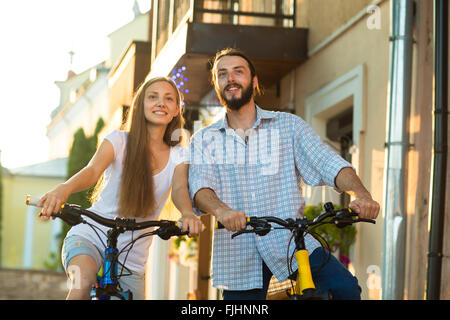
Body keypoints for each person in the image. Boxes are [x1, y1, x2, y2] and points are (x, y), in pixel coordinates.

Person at [188, 48, 380, 300]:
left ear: (254, 82)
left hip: (291, 243)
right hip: (238, 254)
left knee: (344, 289)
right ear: (217, 86)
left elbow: (328, 162)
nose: (230, 78)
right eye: (222, 74)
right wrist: (222, 211)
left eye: (238, 71)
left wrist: (361, 194)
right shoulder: (204, 139)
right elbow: (201, 187)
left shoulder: (288, 126)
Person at [38, 76, 202, 300]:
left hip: (132, 256)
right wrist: (63, 189)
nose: (160, 103)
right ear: (140, 105)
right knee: (82, 283)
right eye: (152, 97)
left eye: (169, 98)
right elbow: (92, 171)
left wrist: (188, 213)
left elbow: (180, 189)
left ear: (176, 110)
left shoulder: (179, 154)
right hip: (91, 234)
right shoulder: (118, 140)